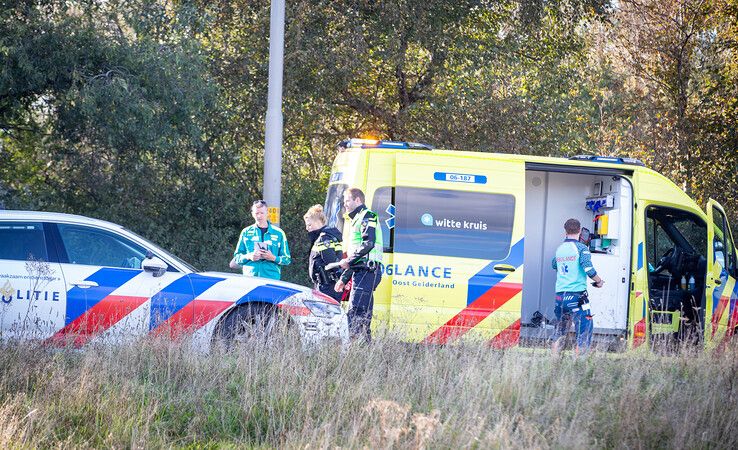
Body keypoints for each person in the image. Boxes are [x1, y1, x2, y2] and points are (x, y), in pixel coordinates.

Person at [334, 187, 383, 341]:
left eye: (347, 200)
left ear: (357, 200)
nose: (345, 204)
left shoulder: (368, 216)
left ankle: (351, 352)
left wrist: (347, 261)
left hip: (368, 271)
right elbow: (356, 259)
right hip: (362, 271)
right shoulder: (355, 220)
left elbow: (368, 243)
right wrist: (344, 278)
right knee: (363, 318)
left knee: (355, 314)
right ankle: (365, 355)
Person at [550, 218, 604, 355]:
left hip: (560, 297)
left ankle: (553, 362)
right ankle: (579, 364)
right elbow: (588, 269)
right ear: (580, 231)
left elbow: (554, 265)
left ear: (565, 231)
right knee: (584, 330)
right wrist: (599, 281)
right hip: (576, 297)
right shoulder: (581, 248)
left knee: (559, 331)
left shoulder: (560, 249)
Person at [231, 199, 291, 279]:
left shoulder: (279, 233)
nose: (259, 216)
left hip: (271, 278)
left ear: (267, 213)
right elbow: (237, 258)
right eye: (256, 213)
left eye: (262, 213)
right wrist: (249, 256)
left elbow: (287, 259)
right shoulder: (246, 232)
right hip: (250, 278)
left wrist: (273, 257)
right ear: (252, 214)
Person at [303, 204, 343, 302]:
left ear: (318, 222)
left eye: (309, 225)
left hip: (327, 285)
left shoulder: (324, 238)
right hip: (328, 285)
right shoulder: (329, 236)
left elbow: (331, 262)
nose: (307, 228)